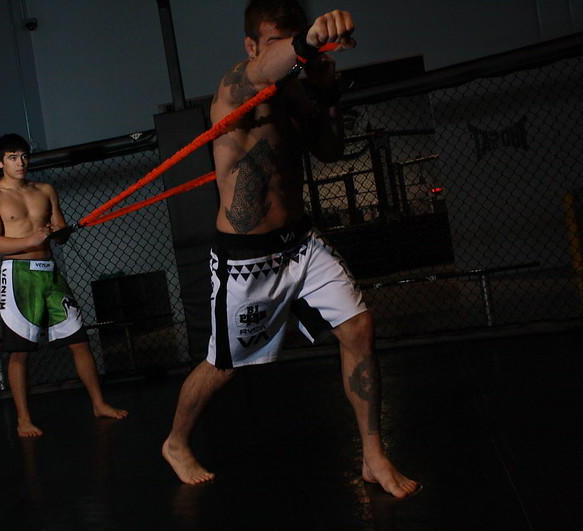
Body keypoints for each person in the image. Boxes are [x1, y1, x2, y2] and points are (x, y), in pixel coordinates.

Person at [162, 1, 420, 498]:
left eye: (293, 37)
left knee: (359, 328)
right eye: (273, 40)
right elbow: (266, 68)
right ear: (251, 45)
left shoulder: (297, 92)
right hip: (245, 258)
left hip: (300, 244)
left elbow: (330, 150)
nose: (286, 49)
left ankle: (373, 454)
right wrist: (306, 43)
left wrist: (325, 90)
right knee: (223, 365)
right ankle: (175, 442)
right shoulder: (235, 86)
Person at [0, 133, 127, 438]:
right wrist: (30, 239)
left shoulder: (45, 190)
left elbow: (61, 233)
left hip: (50, 272)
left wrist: (58, 232)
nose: (20, 162)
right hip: (19, 275)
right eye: (12, 157)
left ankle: (98, 404)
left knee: (79, 341)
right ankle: (23, 420)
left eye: (24, 156)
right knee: (20, 352)